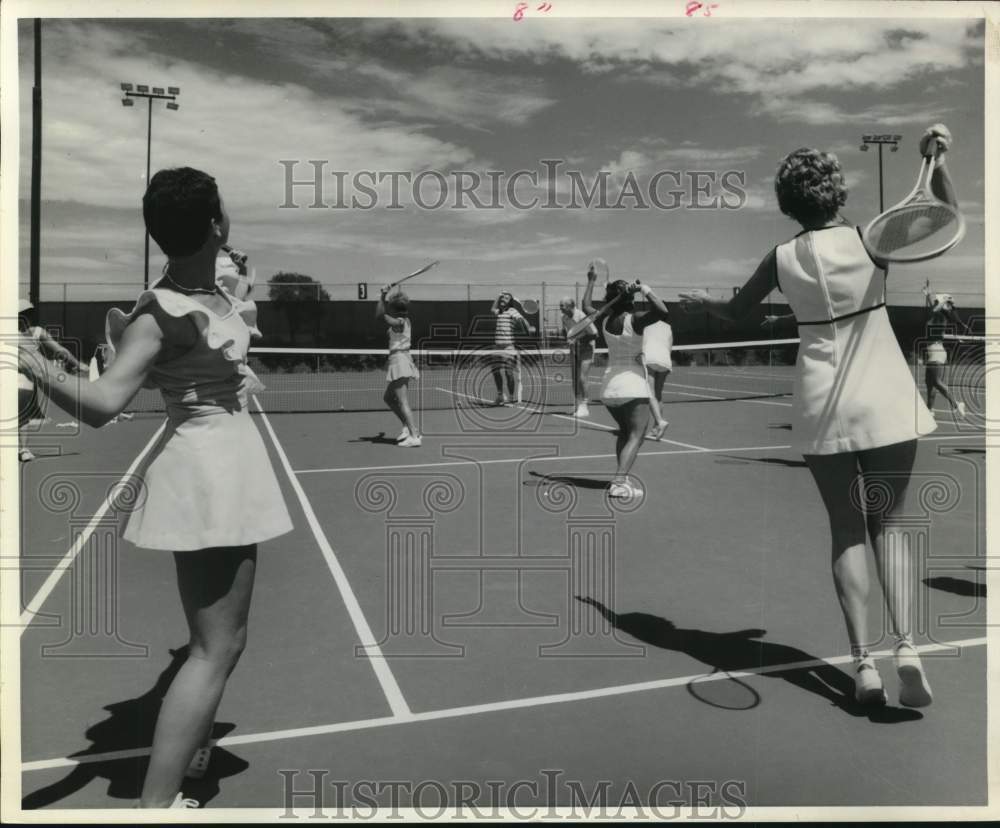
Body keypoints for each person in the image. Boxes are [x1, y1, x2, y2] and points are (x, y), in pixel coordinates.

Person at [19, 167, 294, 806]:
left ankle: (188, 755)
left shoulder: (216, 293)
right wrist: (42, 371)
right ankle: (156, 806)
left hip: (228, 460)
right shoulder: (157, 311)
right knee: (211, 649)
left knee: (224, 641)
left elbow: (227, 325)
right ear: (215, 224)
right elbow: (104, 403)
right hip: (206, 471)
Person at [680, 124, 958, 708]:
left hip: (819, 394)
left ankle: (863, 667)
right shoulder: (872, 240)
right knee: (890, 526)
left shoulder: (781, 258)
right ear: (837, 193)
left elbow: (734, 314)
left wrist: (693, 303)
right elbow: (944, 219)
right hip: (882, 390)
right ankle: (906, 646)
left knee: (847, 530)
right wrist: (942, 157)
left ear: (789, 204)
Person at [581, 268, 670, 498]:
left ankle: (623, 479)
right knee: (637, 436)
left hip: (609, 386)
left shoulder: (605, 320)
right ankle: (619, 482)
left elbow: (585, 306)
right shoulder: (636, 320)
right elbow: (662, 310)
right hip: (632, 385)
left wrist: (590, 281)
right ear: (629, 298)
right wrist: (645, 289)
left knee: (624, 433)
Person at [17, 299, 85, 461]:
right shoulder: (37, 332)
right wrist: (78, 364)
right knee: (23, 417)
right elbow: (60, 350)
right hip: (25, 382)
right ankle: (24, 450)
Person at [377, 286, 422, 447]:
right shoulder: (400, 322)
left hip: (401, 361)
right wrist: (383, 298)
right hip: (398, 360)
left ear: (394, 308)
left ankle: (414, 436)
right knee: (388, 398)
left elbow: (381, 316)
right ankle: (408, 427)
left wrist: (382, 295)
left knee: (402, 401)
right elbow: (380, 314)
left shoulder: (400, 322)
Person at [922, 287, 966, 419]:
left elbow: (935, 309)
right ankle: (929, 410)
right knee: (929, 383)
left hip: (936, 351)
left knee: (936, 381)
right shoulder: (937, 314)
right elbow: (933, 309)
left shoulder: (941, 316)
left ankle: (957, 404)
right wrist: (928, 296)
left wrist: (944, 299)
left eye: (937, 302)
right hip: (933, 352)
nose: (935, 303)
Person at [490, 292, 532, 405]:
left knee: (508, 372)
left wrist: (527, 326)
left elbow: (524, 321)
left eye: (506, 297)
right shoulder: (499, 311)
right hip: (497, 346)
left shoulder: (513, 311)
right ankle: (500, 395)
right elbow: (492, 309)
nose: (504, 298)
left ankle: (511, 397)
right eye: (503, 297)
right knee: (495, 371)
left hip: (508, 346)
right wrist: (498, 295)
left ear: (510, 301)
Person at [559, 296, 597, 417]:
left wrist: (576, 339)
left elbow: (595, 334)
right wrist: (569, 339)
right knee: (575, 379)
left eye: (562, 306)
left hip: (587, 349)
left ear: (570, 306)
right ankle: (577, 404)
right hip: (574, 349)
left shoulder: (582, 317)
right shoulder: (564, 318)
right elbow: (568, 333)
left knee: (582, 377)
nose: (560, 308)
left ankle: (584, 407)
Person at [642, 319, 673, 440]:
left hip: (650, 358)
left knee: (650, 393)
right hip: (665, 360)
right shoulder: (668, 326)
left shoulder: (644, 323)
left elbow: (640, 342)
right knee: (658, 394)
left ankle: (660, 421)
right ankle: (656, 428)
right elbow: (670, 345)